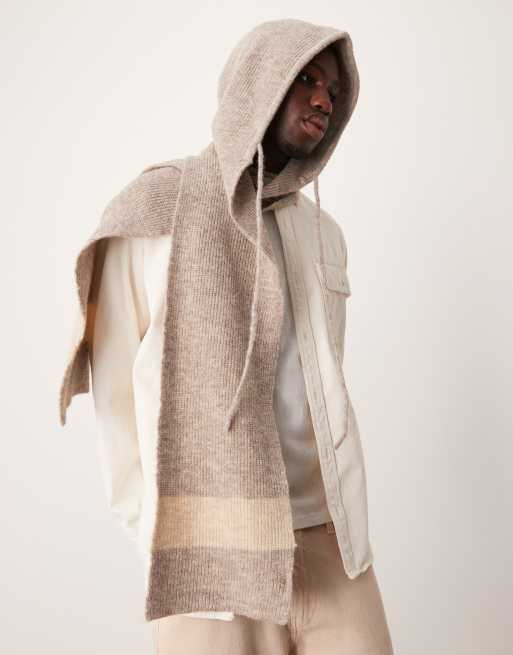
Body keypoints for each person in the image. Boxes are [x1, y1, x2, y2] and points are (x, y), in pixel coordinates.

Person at [59, 18, 394, 654]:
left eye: (332, 90)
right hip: (210, 557)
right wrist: (163, 537)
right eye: (306, 79)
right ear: (255, 84)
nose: (323, 99)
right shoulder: (156, 213)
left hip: (329, 542)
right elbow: (116, 400)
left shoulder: (324, 234)